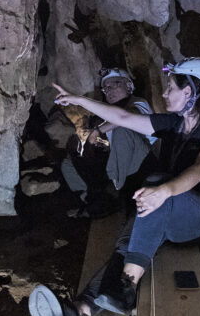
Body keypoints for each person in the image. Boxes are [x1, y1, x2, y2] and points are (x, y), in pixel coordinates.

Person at [28, 57, 200, 316]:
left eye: (170, 88)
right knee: (127, 243)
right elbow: (122, 119)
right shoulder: (173, 124)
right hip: (167, 212)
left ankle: (127, 288)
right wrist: (79, 100)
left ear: (189, 92)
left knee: (155, 185)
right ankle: (79, 310)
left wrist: (164, 190)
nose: (164, 94)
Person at [60, 68, 155, 218]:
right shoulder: (105, 113)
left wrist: (98, 131)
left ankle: (111, 192)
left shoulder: (137, 102)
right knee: (69, 162)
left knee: (122, 131)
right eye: (106, 88)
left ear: (128, 86)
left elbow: (129, 117)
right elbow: (101, 141)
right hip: (117, 159)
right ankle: (95, 197)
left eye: (115, 84)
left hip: (140, 159)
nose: (109, 90)